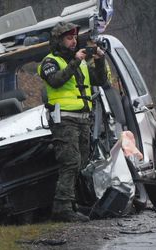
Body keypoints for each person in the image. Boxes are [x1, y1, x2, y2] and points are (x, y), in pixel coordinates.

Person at [38, 22, 107, 222]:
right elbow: (57, 81)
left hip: (83, 120)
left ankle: (73, 204)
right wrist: (75, 61)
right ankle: (62, 208)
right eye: (69, 38)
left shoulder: (82, 62)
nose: (74, 41)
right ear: (59, 41)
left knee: (81, 163)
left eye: (75, 38)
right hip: (64, 120)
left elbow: (100, 81)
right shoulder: (49, 62)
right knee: (70, 162)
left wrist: (100, 61)